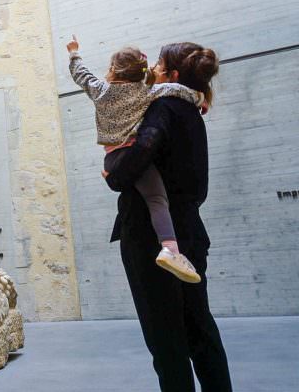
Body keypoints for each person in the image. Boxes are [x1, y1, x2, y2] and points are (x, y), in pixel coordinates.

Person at [104, 42, 233, 392]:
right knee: (199, 328)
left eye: (159, 64)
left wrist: (115, 174)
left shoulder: (162, 106)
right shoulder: (192, 111)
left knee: (166, 339)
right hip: (189, 230)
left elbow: (144, 147)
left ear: (172, 75)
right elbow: (198, 187)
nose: (153, 69)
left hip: (151, 239)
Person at [67, 36, 204, 283]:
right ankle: (170, 249)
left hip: (112, 157)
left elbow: (81, 74)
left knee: (149, 198)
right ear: (141, 72)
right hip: (134, 155)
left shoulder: (100, 90)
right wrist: (199, 99)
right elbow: (175, 89)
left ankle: (168, 249)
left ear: (112, 70)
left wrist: (75, 53)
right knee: (156, 199)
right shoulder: (147, 93)